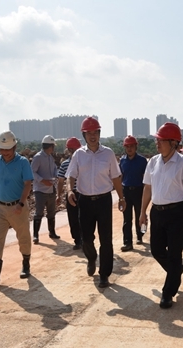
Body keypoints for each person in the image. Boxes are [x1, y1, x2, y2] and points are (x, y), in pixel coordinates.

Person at [139, 123, 183, 309]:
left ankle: (168, 293)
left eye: (161, 140)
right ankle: (176, 271)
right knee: (156, 250)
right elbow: (147, 188)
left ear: (174, 143)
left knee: (174, 254)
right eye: (157, 140)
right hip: (157, 212)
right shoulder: (153, 162)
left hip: (177, 213)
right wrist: (142, 212)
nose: (157, 143)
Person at [66, 117, 126, 288]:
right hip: (84, 201)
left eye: (95, 132)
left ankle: (104, 274)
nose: (92, 136)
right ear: (84, 135)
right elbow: (71, 175)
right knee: (86, 238)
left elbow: (116, 177)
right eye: (89, 133)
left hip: (103, 201)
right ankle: (91, 258)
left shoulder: (108, 153)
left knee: (106, 239)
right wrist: (70, 190)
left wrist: (121, 198)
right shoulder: (78, 154)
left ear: (99, 134)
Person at [0, 131, 34, 284]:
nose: (5, 152)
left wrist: (21, 203)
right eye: (2, 149)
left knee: (23, 237)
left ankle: (26, 264)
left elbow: (27, 184)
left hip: (17, 207)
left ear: (14, 147)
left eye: (8, 149)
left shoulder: (23, 162)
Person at [118, 135, 148, 251]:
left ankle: (140, 235)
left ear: (136, 147)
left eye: (132, 146)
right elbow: (120, 177)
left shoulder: (142, 161)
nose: (129, 149)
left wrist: (146, 193)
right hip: (126, 191)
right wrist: (120, 195)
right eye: (127, 146)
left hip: (139, 190)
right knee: (127, 218)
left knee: (140, 215)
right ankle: (127, 242)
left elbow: (146, 178)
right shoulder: (122, 161)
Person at [31, 135, 60, 244]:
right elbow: (32, 172)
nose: (53, 149)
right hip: (40, 190)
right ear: (50, 146)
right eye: (53, 146)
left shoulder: (50, 158)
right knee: (39, 213)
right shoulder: (38, 157)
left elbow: (54, 169)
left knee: (51, 213)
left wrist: (56, 176)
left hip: (51, 189)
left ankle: (52, 232)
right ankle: (35, 235)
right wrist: (43, 181)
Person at [57, 137, 83, 250]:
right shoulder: (65, 164)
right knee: (73, 218)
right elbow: (60, 181)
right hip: (71, 194)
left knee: (83, 217)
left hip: (83, 194)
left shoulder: (83, 162)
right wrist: (59, 195)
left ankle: (85, 239)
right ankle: (78, 240)